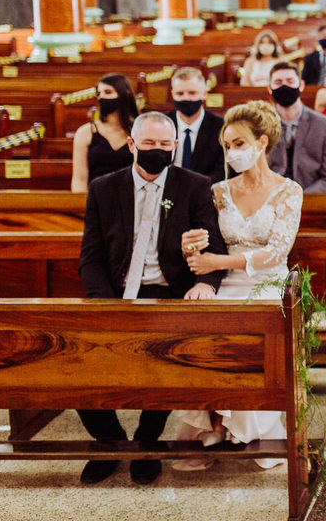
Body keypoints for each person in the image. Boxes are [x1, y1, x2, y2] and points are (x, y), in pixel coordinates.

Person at [76, 111, 225, 486]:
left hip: (169, 293)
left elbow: (214, 246)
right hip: (113, 292)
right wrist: (104, 303)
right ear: (132, 145)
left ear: (175, 147)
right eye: (149, 144)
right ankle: (109, 442)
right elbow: (91, 256)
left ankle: (146, 441)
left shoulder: (193, 185)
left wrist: (205, 283)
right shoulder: (104, 188)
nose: (157, 150)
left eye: (164, 145)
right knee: (77, 362)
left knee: (161, 361)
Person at [173, 101, 303, 471]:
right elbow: (205, 240)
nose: (232, 153)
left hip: (268, 281)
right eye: (227, 146)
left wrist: (218, 261)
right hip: (225, 281)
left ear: (261, 143)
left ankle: (240, 424)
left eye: (239, 143)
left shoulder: (288, 191)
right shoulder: (217, 191)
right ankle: (212, 421)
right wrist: (191, 246)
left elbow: (278, 250)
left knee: (246, 324)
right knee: (202, 324)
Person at [266, 62, 326, 192]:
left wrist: (300, 199)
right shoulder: (260, 124)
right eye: (278, 82)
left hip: (310, 200)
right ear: (269, 88)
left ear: (301, 85)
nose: (284, 86)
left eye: (290, 81)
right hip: (269, 199)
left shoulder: (324, 125)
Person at [71, 72, 137, 191]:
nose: (101, 97)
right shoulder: (86, 132)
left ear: (125, 93)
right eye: (98, 94)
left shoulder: (138, 129)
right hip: (95, 198)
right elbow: (79, 179)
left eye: (108, 92)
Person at [168, 66, 225, 184]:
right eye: (180, 93)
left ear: (204, 94)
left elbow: (222, 169)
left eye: (192, 93)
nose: (186, 98)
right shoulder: (163, 123)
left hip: (207, 189)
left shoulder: (220, 126)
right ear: (172, 94)